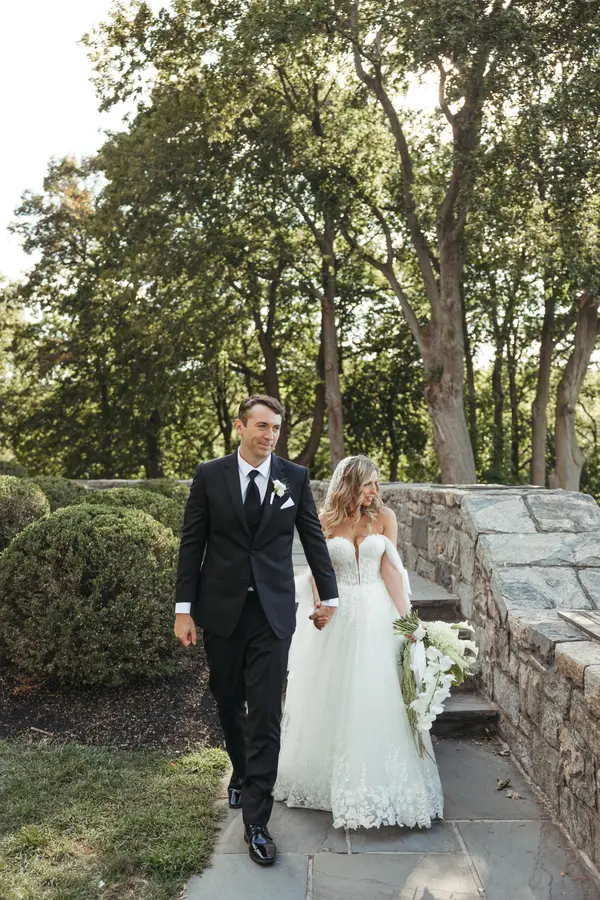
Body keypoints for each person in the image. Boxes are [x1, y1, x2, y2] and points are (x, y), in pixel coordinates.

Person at [174, 395, 338, 866]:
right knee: (228, 699)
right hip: (221, 611)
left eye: (276, 428)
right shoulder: (210, 475)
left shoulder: (294, 477)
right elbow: (192, 543)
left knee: (265, 712)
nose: (270, 435)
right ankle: (241, 770)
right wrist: (183, 610)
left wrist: (329, 597)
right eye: (262, 426)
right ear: (240, 427)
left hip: (272, 613)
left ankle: (257, 821)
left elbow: (313, 538)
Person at [274, 455, 443, 829]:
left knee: (375, 693)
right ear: (350, 484)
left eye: (377, 483)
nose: (375, 490)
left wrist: (409, 620)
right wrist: (320, 606)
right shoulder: (325, 520)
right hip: (339, 612)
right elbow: (319, 571)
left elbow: (391, 571)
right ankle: (326, 777)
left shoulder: (384, 518)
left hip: (376, 613)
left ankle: (376, 780)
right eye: (368, 483)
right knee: (333, 691)